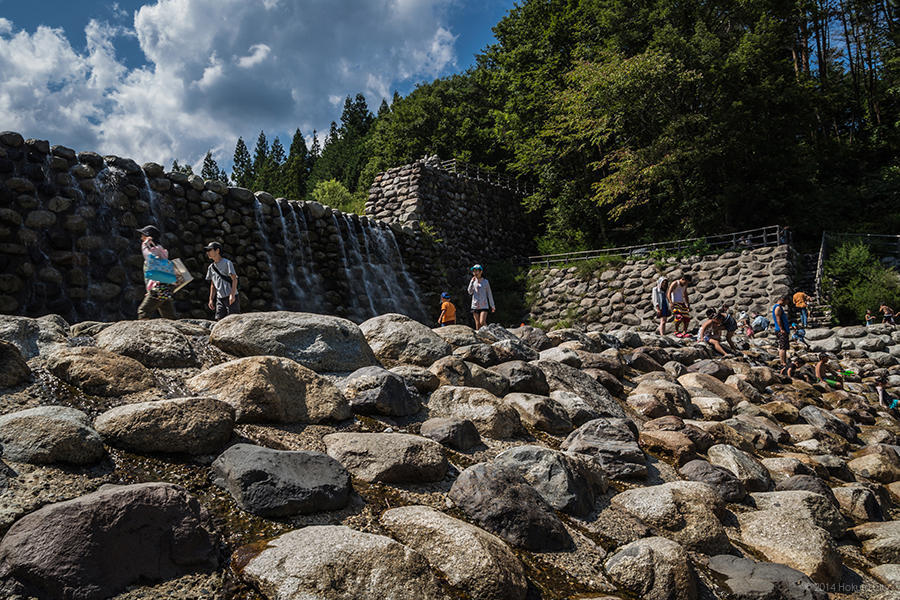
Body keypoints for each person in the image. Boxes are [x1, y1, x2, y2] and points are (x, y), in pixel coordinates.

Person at [137, 225, 176, 320]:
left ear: (148, 236)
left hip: (160, 286)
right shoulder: (159, 248)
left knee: (143, 311)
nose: (141, 237)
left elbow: (151, 260)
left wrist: (145, 245)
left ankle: (143, 333)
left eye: (142, 235)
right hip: (164, 285)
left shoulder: (152, 248)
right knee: (168, 313)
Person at [204, 242, 239, 320]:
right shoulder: (211, 267)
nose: (208, 253)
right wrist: (211, 299)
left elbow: (234, 279)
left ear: (217, 251)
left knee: (233, 319)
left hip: (230, 296)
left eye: (210, 250)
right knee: (219, 319)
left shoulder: (227, 263)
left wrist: (232, 295)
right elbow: (213, 285)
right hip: (219, 298)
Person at [467, 264, 495, 330]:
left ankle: (489, 332)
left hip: (484, 305)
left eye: (477, 271)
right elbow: (469, 292)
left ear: (481, 272)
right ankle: (479, 339)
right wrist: (471, 282)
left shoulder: (485, 282)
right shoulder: (473, 281)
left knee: (482, 321)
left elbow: (489, 294)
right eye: (474, 271)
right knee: (477, 323)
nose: (475, 273)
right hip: (475, 305)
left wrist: (492, 305)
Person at [667, 274, 693, 338]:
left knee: (686, 317)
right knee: (679, 317)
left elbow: (685, 294)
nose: (686, 284)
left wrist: (687, 303)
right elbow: (668, 293)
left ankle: (684, 332)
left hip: (682, 303)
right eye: (686, 282)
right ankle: (676, 331)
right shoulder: (675, 283)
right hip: (675, 303)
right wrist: (670, 302)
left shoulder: (685, 285)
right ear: (683, 279)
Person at [772, 295, 791, 376]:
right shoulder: (778, 308)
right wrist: (781, 329)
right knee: (782, 347)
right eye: (787, 301)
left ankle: (784, 361)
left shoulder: (779, 307)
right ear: (783, 300)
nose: (787, 303)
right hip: (781, 330)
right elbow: (778, 318)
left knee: (784, 346)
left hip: (783, 330)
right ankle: (783, 362)